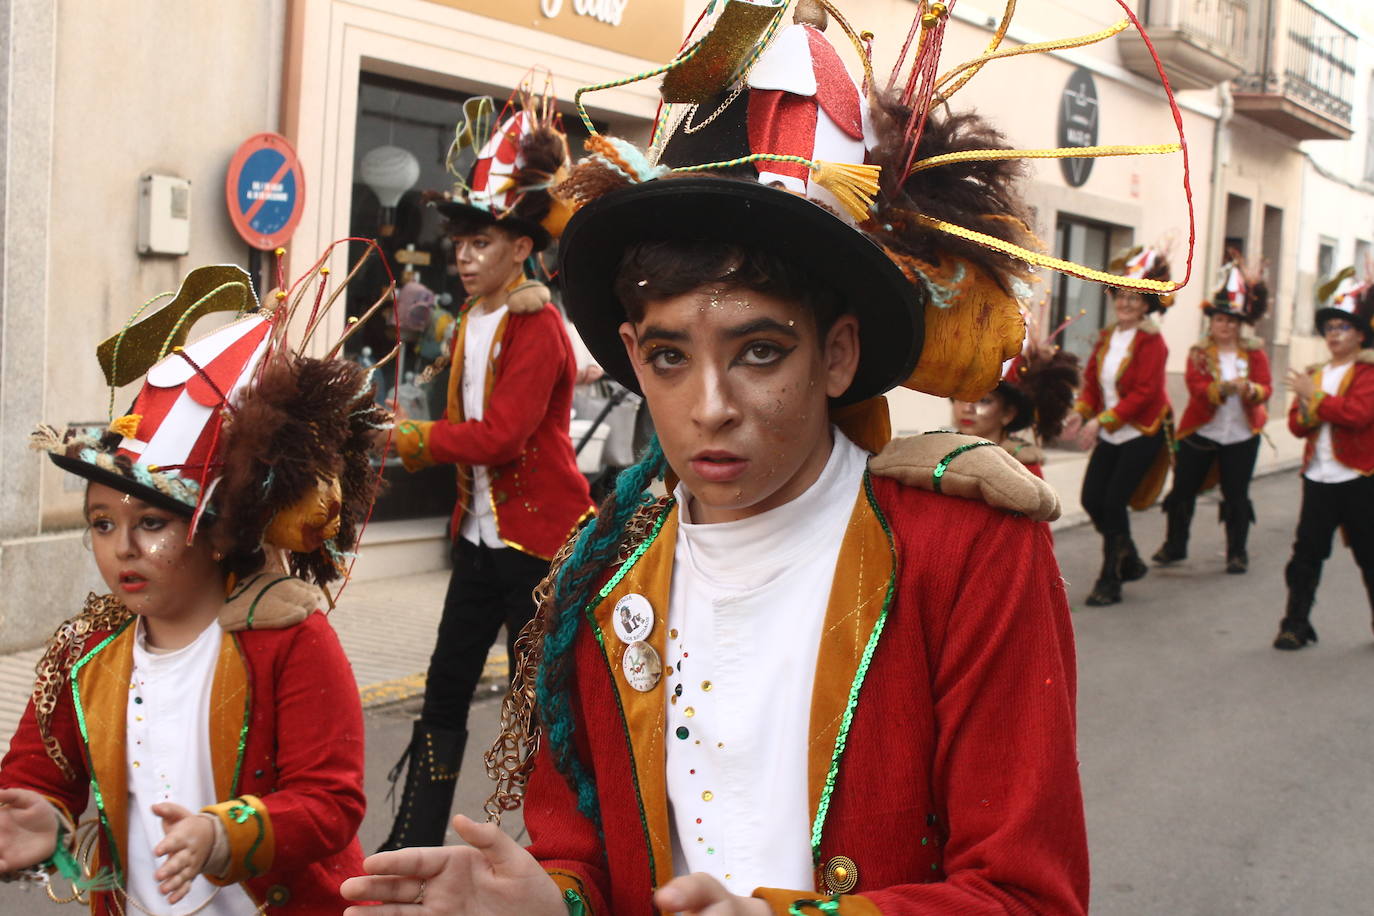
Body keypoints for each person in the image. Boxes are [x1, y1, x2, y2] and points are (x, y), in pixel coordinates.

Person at [339, 3, 1135, 911]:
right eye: (672, 358)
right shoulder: (605, 571)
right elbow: (585, 854)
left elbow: (1027, 896)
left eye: (760, 352)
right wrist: (548, 902)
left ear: (837, 353)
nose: (709, 409)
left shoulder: (969, 553)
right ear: (635, 358)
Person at [0, 257, 389, 913]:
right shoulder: (84, 651)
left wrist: (223, 833)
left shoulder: (292, 642)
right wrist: (40, 816)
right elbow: (42, 768)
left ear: (216, 533)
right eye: (101, 522)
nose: (122, 546)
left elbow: (332, 799)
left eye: (151, 522)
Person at [379, 82, 595, 850]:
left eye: (481, 244)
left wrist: (413, 440)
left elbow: (501, 436)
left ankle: (560, 853)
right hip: (478, 542)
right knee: (443, 691)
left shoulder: (539, 328)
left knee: (540, 707)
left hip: (538, 545)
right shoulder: (474, 317)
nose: (463, 257)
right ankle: (413, 839)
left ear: (522, 248)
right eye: (460, 242)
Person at [1067, 246, 1175, 607]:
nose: (1126, 302)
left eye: (1134, 297)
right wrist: (1081, 412)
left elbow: (1145, 393)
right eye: (1121, 294)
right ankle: (1130, 556)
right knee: (1091, 498)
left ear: (1147, 305)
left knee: (1113, 502)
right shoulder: (1107, 336)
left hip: (1143, 430)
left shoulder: (1152, 341)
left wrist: (1101, 421)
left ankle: (1110, 577)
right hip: (1112, 429)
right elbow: (1094, 382)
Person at [1154, 255, 1271, 573]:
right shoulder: (1199, 353)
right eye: (1220, 320)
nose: (1226, 326)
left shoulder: (1255, 352)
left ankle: (1237, 552)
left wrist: (1249, 390)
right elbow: (1197, 387)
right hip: (1202, 431)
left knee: (1236, 495)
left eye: (1231, 321)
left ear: (1239, 324)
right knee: (1182, 491)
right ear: (1212, 322)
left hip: (1242, 434)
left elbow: (1266, 388)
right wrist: (1223, 389)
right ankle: (1175, 545)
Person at [1276, 269, 1374, 649]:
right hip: (1318, 476)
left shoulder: (1367, 372)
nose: (1334, 333)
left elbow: (1358, 414)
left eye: (1343, 327)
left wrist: (1312, 398)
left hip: (1359, 477)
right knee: (1306, 555)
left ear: (1361, 335)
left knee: (1369, 555)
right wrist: (1306, 402)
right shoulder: (1315, 374)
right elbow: (1299, 426)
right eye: (1330, 327)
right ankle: (1295, 623)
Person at [952, 341, 1081, 478]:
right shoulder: (937, 453)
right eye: (961, 397)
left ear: (1008, 414)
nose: (967, 408)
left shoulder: (1023, 469)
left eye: (984, 401)